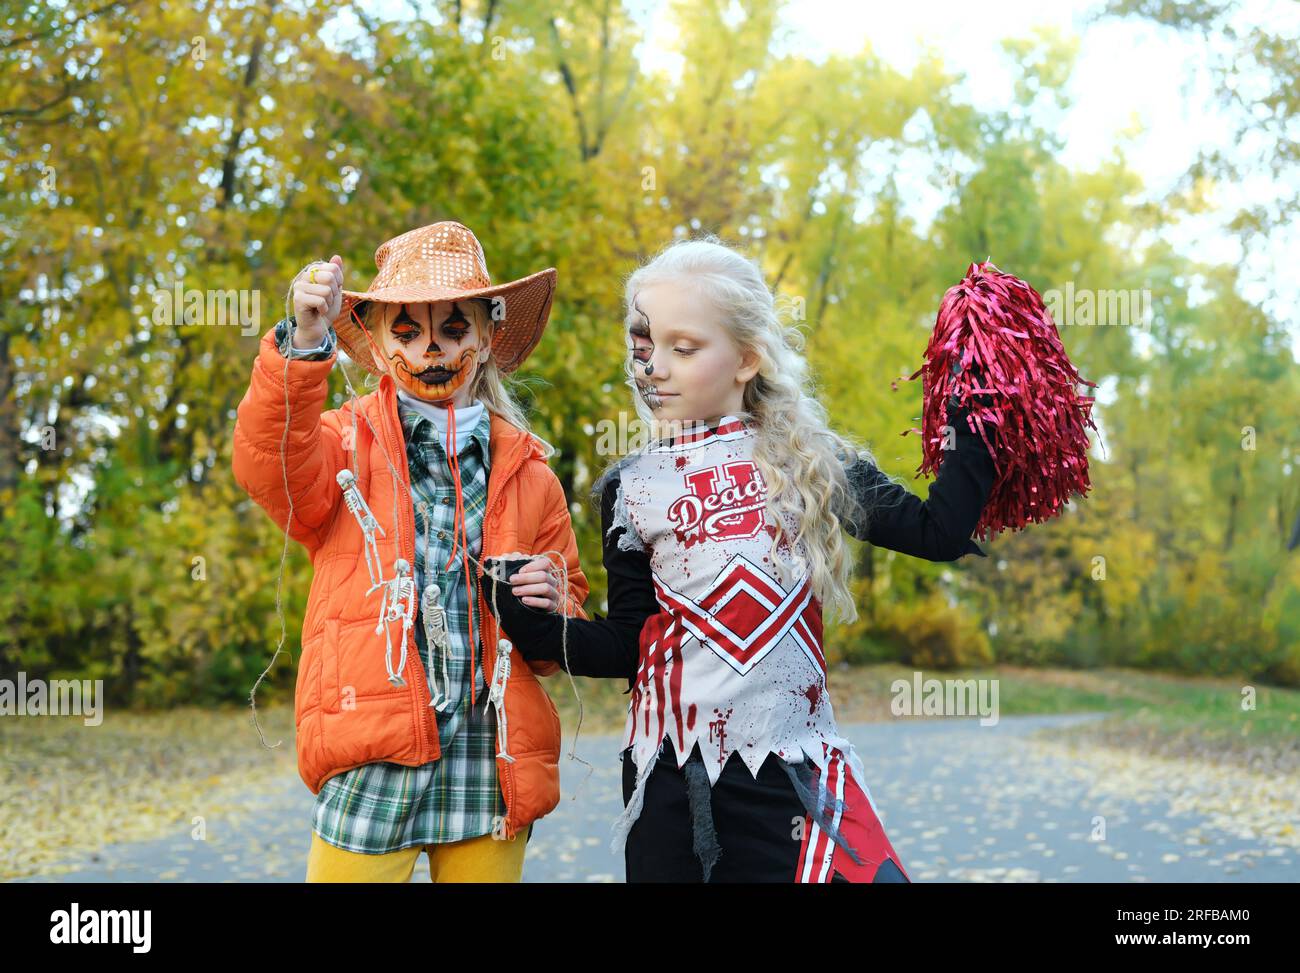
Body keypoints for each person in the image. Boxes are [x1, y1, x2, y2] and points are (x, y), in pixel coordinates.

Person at [483, 236, 1001, 882]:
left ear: (747, 357)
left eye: (684, 347)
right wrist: (531, 620)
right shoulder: (630, 488)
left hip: (793, 776)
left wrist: (978, 406)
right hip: (670, 786)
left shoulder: (809, 464)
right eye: (644, 348)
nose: (655, 368)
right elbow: (627, 646)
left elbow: (939, 530)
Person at [232, 221, 588, 882]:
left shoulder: (530, 472)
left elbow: (563, 616)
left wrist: (552, 598)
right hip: (375, 749)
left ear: (485, 338)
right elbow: (269, 467)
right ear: (374, 339)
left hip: (489, 761)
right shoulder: (341, 445)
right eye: (407, 331)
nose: (431, 350)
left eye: (453, 330)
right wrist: (305, 343)